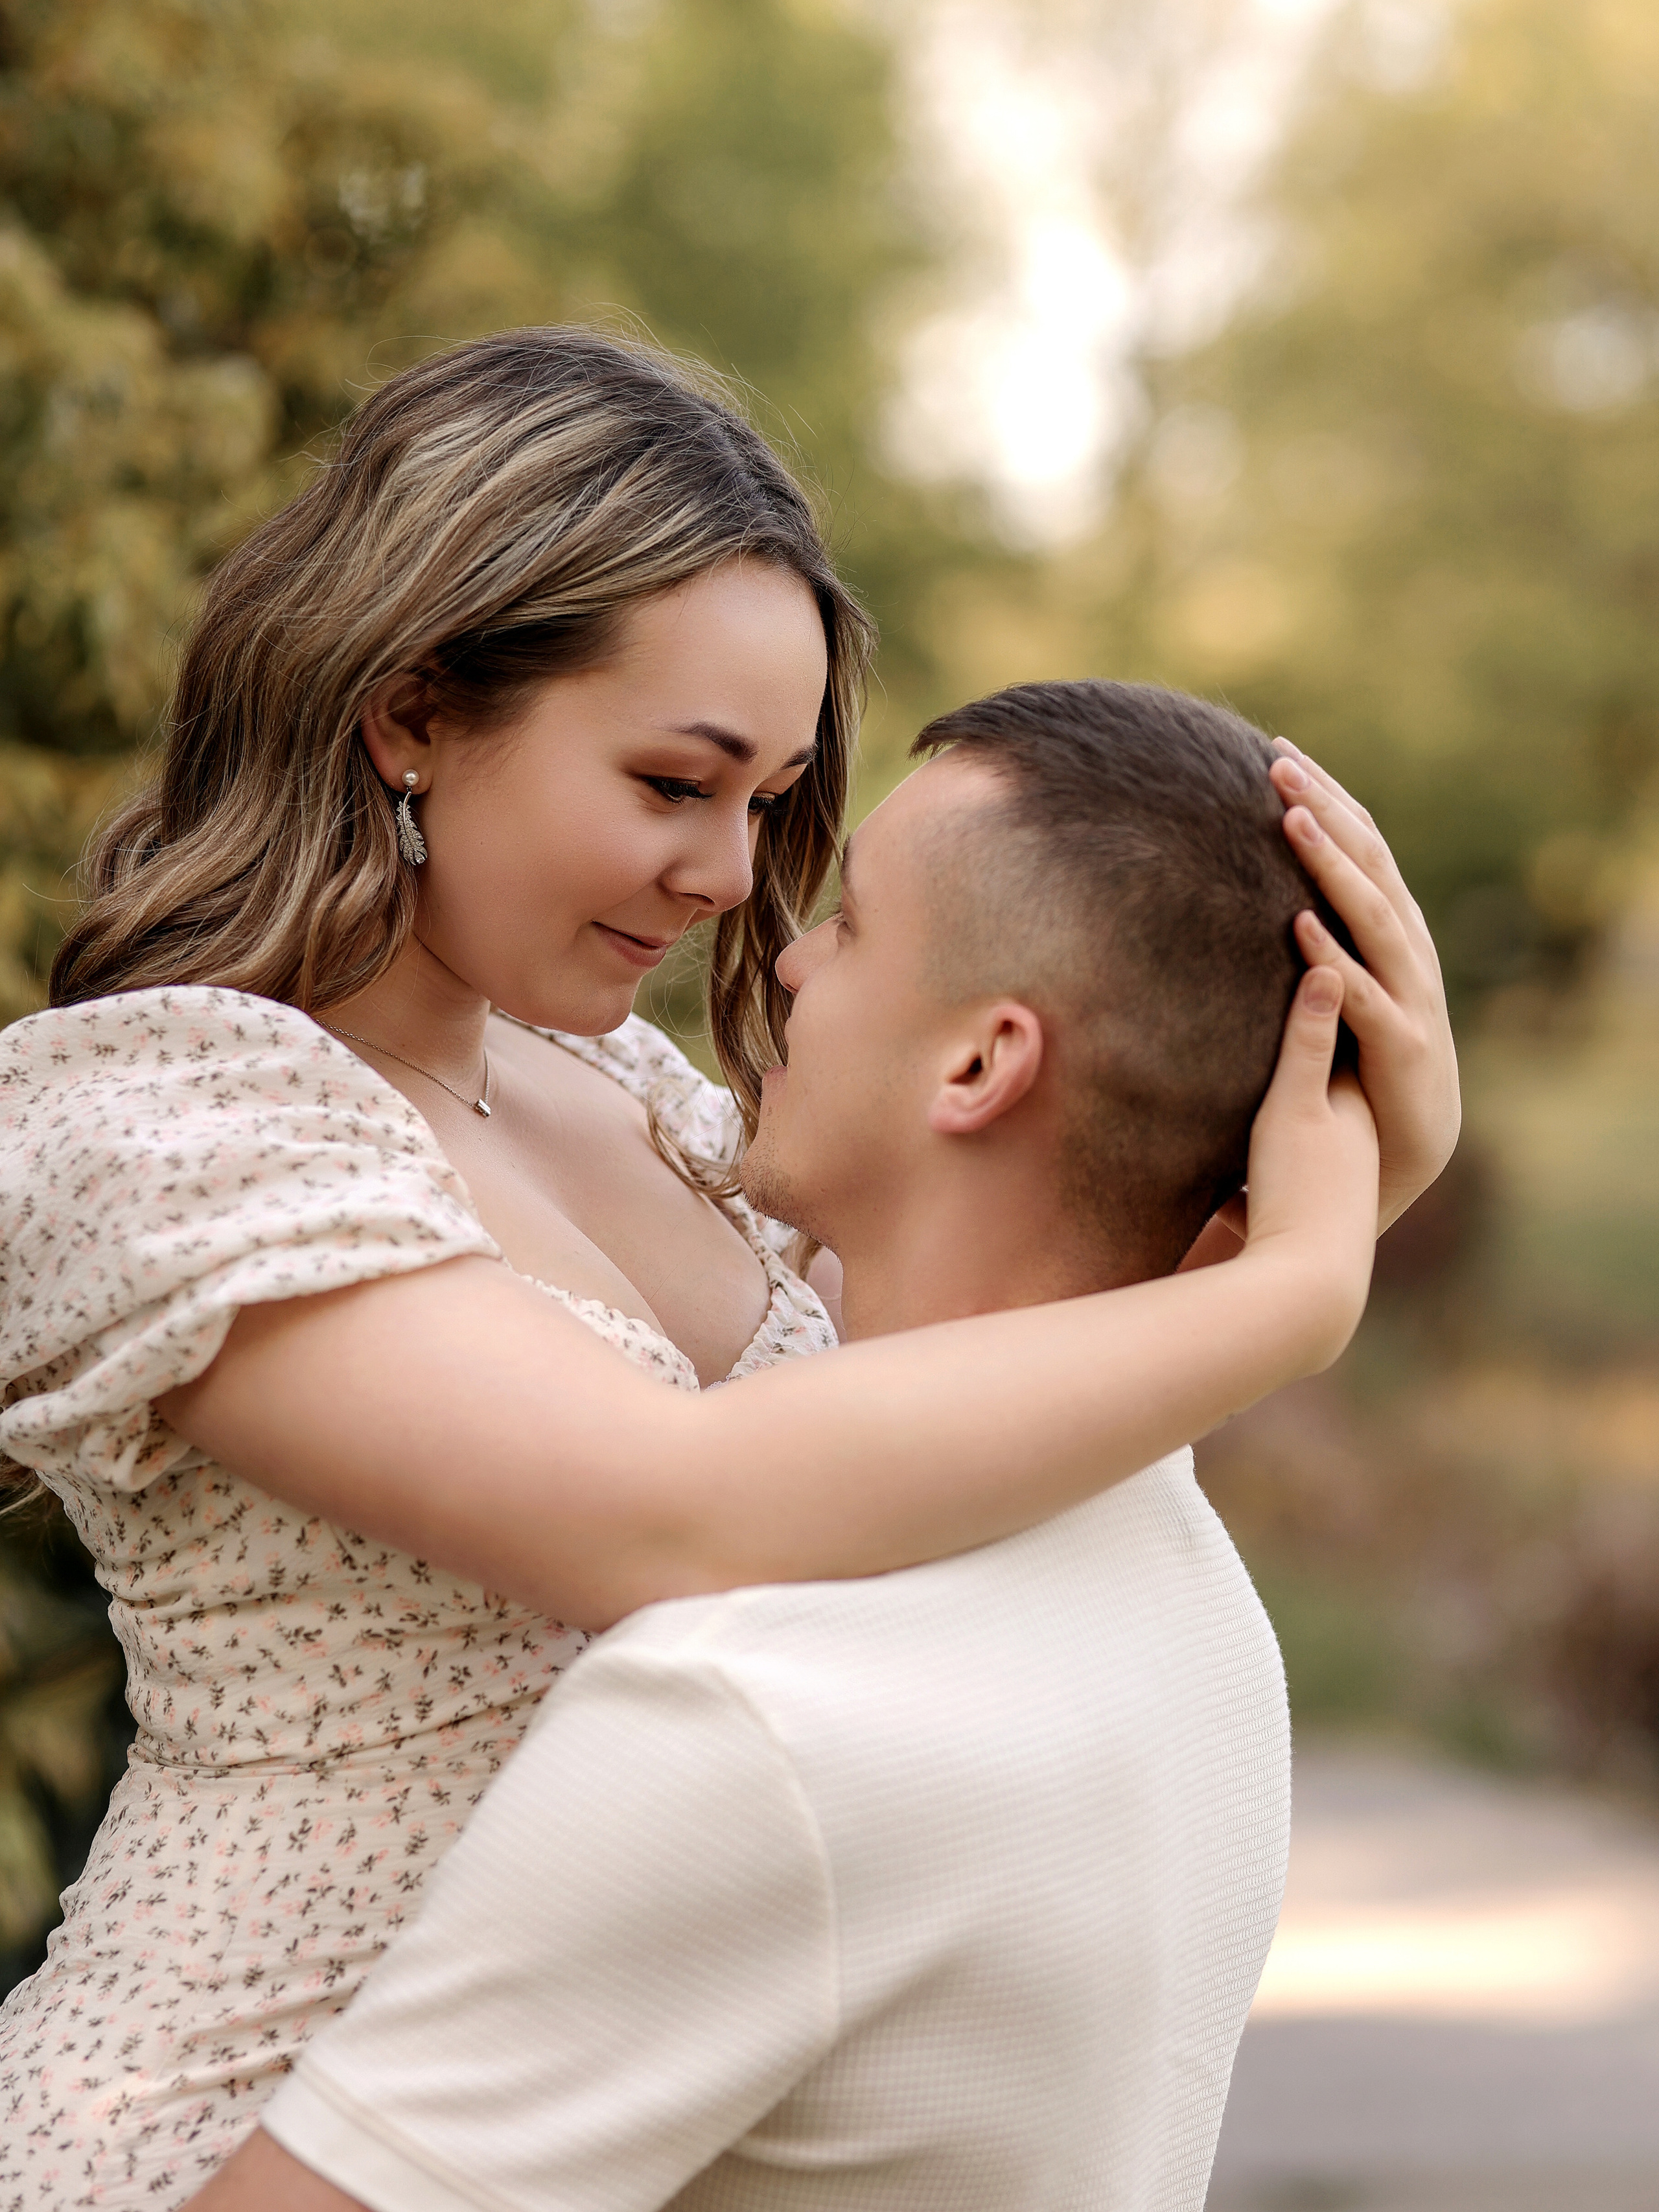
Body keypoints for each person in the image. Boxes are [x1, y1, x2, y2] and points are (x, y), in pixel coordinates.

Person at [0, 326, 1458, 2210]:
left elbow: (968, 1377)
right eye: (675, 782)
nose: (728, 876)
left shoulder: (631, 1088)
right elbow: (665, 1516)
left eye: (768, 800)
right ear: (413, 710)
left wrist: (1285, 1181)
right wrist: (1286, 1299)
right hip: (226, 2138)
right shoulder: (161, 1116)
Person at [187, 680, 1380, 2212]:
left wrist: (1298, 1282)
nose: (785, 950)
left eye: (856, 925)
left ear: (978, 1067)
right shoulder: (1181, 1580)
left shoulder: (758, 1716)